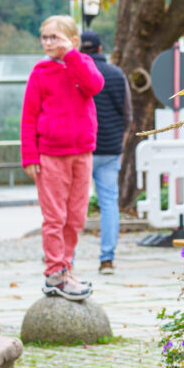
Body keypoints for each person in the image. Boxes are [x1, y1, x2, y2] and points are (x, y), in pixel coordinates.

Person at [22, 15, 103, 300]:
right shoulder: (39, 72)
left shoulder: (83, 66)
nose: (48, 42)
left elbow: (94, 85)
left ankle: (66, 268)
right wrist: (29, 156)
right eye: (45, 37)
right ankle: (55, 273)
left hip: (82, 152)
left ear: (73, 40)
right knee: (54, 217)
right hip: (51, 155)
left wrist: (72, 55)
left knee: (76, 217)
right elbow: (29, 117)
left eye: (54, 37)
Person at [80, 30, 129, 274]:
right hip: (110, 148)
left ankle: (67, 259)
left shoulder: (75, 74)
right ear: (100, 49)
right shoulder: (117, 74)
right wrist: (120, 144)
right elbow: (127, 115)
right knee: (109, 203)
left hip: (80, 148)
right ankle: (107, 259)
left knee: (75, 203)